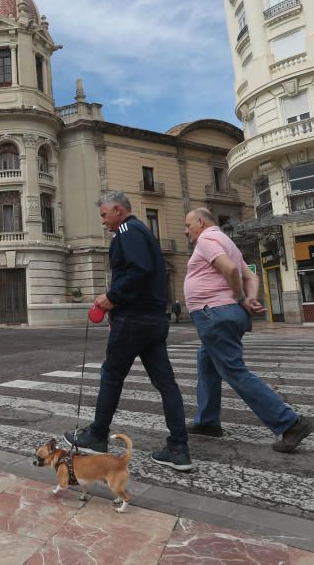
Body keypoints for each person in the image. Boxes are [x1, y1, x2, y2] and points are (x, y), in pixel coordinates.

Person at [64, 191, 195, 471]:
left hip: (134, 320)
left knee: (111, 375)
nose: (103, 222)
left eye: (104, 215)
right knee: (166, 383)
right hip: (153, 319)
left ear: (118, 211)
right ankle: (178, 448)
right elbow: (144, 271)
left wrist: (112, 296)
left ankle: (98, 435)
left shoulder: (127, 229)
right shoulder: (141, 232)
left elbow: (138, 270)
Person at [183, 207, 313, 453]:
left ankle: (290, 422)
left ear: (200, 222)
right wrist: (251, 299)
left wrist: (240, 297)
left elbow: (231, 270)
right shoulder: (225, 240)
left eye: (188, 225)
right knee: (206, 363)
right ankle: (207, 421)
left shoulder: (207, 239)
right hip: (222, 313)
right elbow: (250, 275)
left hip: (214, 313)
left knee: (233, 370)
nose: (185, 230)